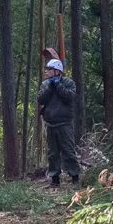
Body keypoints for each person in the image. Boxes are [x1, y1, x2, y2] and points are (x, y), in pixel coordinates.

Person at [37, 58, 80, 187]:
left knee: (68, 151)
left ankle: (75, 177)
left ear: (57, 71)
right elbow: (41, 99)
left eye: (49, 69)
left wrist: (58, 85)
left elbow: (69, 97)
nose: (46, 72)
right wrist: (50, 86)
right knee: (52, 153)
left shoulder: (69, 83)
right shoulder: (45, 84)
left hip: (65, 123)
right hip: (50, 123)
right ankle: (55, 179)